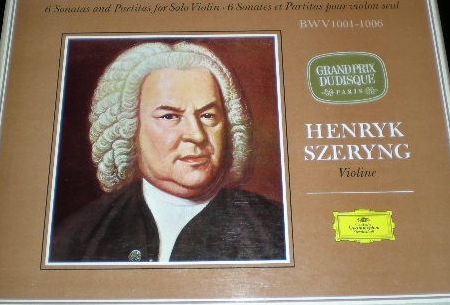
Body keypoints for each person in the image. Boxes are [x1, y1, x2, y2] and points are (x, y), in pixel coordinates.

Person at [50, 40, 286, 263]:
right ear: (129, 128)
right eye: (170, 116)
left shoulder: (275, 227)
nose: (197, 135)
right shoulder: (81, 235)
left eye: (208, 116)